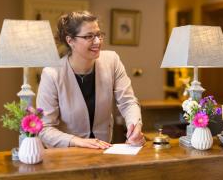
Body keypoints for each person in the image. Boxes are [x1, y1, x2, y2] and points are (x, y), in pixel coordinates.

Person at [37, 11, 145, 149]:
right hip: (67, 155)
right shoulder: (51, 74)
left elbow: (128, 102)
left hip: (103, 151)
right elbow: (45, 128)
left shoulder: (112, 61)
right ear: (70, 41)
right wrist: (77, 141)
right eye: (89, 36)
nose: (97, 41)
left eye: (99, 35)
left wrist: (135, 126)